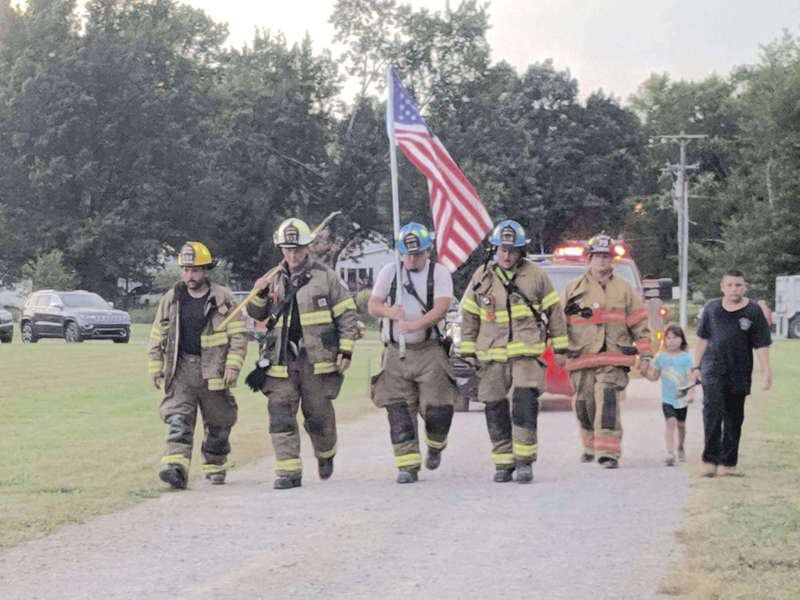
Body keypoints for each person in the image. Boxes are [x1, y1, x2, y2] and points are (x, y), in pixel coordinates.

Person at [247, 218, 360, 489]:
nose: (292, 255)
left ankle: (325, 453)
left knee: (318, 415)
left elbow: (346, 314)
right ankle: (288, 471)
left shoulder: (327, 277)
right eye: (287, 249)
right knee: (280, 412)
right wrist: (259, 294)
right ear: (281, 249)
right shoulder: (272, 278)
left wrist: (346, 350)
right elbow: (255, 313)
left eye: (297, 249)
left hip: (317, 360)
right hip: (280, 359)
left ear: (307, 247)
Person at [458, 219, 568, 483]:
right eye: (502, 250)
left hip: (526, 355)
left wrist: (561, 347)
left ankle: (524, 461)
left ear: (521, 252)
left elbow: (554, 312)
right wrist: (468, 351)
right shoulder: (481, 276)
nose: (506, 255)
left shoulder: (536, 276)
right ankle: (503, 462)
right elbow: (470, 316)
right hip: (491, 356)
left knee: (524, 405)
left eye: (512, 250)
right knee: (494, 408)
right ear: (494, 250)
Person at [148, 242, 248, 489]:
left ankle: (215, 465)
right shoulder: (172, 298)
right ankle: (175, 468)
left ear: (206, 271)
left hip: (214, 370)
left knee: (219, 423)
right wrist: (156, 367)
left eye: (194, 270)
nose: (189, 276)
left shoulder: (223, 298)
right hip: (181, 370)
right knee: (178, 419)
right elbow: (156, 335)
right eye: (185, 270)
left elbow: (238, 336)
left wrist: (233, 366)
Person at [368, 222, 459, 484]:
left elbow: (441, 308)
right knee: (398, 411)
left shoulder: (439, 273)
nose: (411, 259)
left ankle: (436, 444)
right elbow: (374, 304)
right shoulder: (389, 272)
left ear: (427, 251)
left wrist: (414, 325)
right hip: (396, 353)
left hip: (429, 350)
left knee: (438, 410)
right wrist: (389, 313)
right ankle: (407, 465)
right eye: (406, 254)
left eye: (417, 253)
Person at [563, 233, 653, 469]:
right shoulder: (573, 290)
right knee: (584, 405)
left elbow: (640, 324)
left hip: (614, 358)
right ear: (589, 259)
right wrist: (558, 350)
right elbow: (559, 324)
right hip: (581, 359)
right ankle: (590, 445)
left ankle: (608, 452)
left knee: (608, 402)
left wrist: (645, 355)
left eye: (606, 256)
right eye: (598, 256)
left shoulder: (625, 290)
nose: (602, 261)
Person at [690, 270, 772, 477]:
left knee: (734, 417)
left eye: (738, 285)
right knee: (712, 414)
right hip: (713, 369)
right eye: (730, 285)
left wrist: (767, 371)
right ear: (722, 287)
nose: (734, 289)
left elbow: (761, 344)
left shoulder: (753, 311)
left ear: (744, 287)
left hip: (739, 371)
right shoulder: (711, 309)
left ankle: (728, 464)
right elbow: (702, 339)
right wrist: (695, 366)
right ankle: (709, 461)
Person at [643, 324, 694, 466]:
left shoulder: (686, 358)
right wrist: (644, 372)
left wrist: (690, 393)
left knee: (681, 425)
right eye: (668, 338)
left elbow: (690, 378)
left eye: (675, 338)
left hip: (682, 399)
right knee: (670, 423)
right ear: (664, 340)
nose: (671, 341)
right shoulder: (661, 358)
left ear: (682, 340)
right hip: (668, 399)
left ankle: (681, 447)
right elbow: (654, 376)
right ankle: (670, 453)